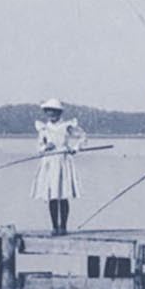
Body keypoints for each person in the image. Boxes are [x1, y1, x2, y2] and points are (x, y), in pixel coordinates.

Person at [31, 98, 86, 234]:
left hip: (63, 161)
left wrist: (74, 148)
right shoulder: (44, 128)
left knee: (63, 195)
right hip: (50, 162)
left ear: (59, 113)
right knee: (53, 195)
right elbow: (39, 147)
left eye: (54, 112)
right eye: (49, 112)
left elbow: (83, 136)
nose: (51, 114)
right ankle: (55, 227)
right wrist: (45, 147)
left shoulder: (66, 126)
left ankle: (64, 227)